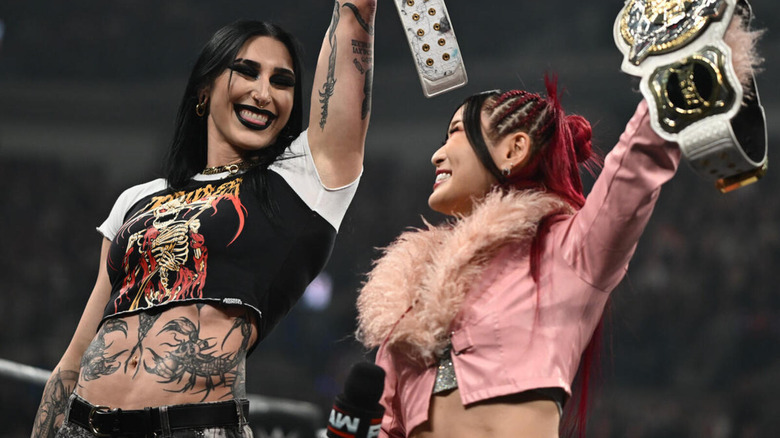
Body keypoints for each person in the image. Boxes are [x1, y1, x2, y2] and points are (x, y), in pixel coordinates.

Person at [355, 19, 764, 438]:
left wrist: (685, 54)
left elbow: (635, 166)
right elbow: (382, 424)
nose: (437, 154)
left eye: (456, 132)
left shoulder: (567, 253)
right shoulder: (408, 300)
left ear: (514, 148)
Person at [31, 1, 377, 437]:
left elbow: (353, 19)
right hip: (83, 427)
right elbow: (76, 355)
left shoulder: (305, 182)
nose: (264, 92)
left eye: (282, 81)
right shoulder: (137, 199)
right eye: (247, 71)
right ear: (203, 91)